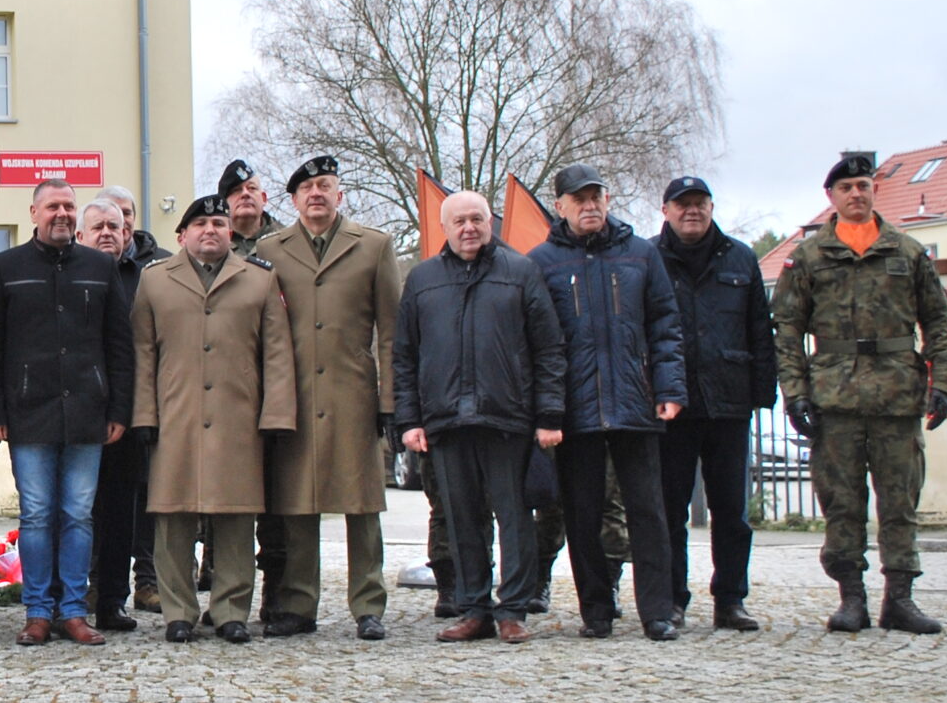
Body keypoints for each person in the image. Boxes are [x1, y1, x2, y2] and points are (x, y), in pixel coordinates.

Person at [773, 151, 947, 634]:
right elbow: (786, 330)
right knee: (841, 502)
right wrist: (795, 393)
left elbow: (938, 321)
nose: (856, 194)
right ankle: (851, 597)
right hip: (834, 397)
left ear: (874, 191)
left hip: (897, 395)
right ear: (831, 197)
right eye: (846, 188)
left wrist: (943, 384)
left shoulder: (908, 252)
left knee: (900, 502)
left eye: (863, 186)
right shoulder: (809, 257)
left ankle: (900, 598)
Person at [393, 190, 567, 645]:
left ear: (491, 222)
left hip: (507, 418)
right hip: (445, 421)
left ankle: (513, 610)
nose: (469, 228)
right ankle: (473, 608)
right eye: (459, 221)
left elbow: (549, 349)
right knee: (462, 519)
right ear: (445, 228)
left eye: (477, 219)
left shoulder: (521, 272)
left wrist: (549, 414)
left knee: (514, 518)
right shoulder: (423, 279)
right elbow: (405, 355)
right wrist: (409, 420)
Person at [529, 163, 689, 642]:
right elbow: (538, 344)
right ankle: (596, 610)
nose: (590, 206)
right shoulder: (541, 262)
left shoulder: (641, 254)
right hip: (575, 410)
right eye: (579, 199)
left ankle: (657, 611)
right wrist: (547, 410)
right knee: (582, 515)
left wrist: (669, 389)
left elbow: (665, 326)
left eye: (596, 196)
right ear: (560, 206)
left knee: (649, 513)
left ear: (608, 200)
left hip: (636, 402)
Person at [133, 195, 294, 643]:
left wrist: (276, 414)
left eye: (219, 223)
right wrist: (143, 414)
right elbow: (142, 353)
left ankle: (230, 611)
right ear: (183, 233)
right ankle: (179, 612)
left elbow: (277, 353)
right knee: (173, 517)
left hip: (238, 417)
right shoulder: (155, 281)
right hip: (175, 416)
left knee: (237, 517)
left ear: (231, 232)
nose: (210, 230)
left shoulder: (259, 279)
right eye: (201, 223)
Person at [0, 179, 133, 645]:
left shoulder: (100, 267)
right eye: (53, 206)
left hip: (89, 410)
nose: (62, 213)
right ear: (34, 213)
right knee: (37, 515)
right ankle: (37, 612)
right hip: (29, 411)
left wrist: (120, 407)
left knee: (79, 515)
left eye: (68, 205)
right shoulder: (5, 267)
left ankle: (73, 611)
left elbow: (119, 344)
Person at [259, 156, 402, 642]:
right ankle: (300, 604)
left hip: (352, 394)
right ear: (293, 200)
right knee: (298, 504)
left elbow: (391, 332)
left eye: (324, 185)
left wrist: (389, 401)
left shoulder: (374, 246)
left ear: (339, 194)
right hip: (294, 397)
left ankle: (368, 604)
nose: (316, 193)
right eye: (307, 188)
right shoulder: (270, 250)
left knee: (362, 505)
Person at [656, 175, 777, 631]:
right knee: (669, 511)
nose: (692, 211)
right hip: (672, 406)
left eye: (700, 203)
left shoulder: (741, 257)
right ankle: (672, 600)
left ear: (711, 207)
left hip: (728, 400)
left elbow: (760, 329)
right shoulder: (648, 257)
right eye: (682, 203)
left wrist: (763, 393)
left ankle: (730, 599)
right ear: (665, 210)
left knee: (731, 512)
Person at [78, 192, 159, 628]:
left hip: (126, 411)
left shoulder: (147, 278)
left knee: (120, 510)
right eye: (99, 227)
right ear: (81, 234)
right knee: (76, 510)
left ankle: (113, 598)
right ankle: (76, 593)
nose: (108, 233)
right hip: (76, 410)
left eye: (116, 226)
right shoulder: (68, 272)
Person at [217, 161, 273, 263]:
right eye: (236, 190)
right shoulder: (213, 246)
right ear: (223, 204)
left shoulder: (288, 241)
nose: (245, 194)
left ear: (264, 198)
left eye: (252, 188)